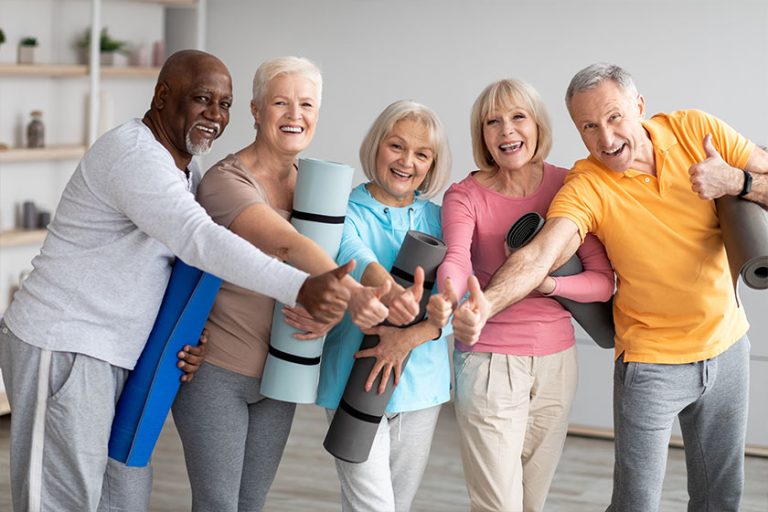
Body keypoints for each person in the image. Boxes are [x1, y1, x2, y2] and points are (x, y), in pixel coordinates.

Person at [0, 50, 360, 512]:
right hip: (67, 342)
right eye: (202, 99)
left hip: (124, 352)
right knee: (61, 499)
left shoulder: (186, 167)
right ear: (162, 96)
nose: (214, 114)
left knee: (122, 496)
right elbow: (199, 240)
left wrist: (192, 336)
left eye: (224, 104)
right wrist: (301, 286)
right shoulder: (134, 156)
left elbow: (173, 270)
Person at [446, 63, 768, 512]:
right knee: (635, 504)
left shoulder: (697, 130)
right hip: (650, 362)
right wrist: (485, 305)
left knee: (721, 498)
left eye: (615, 117)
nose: (606, 138)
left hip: (729, 346)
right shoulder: (586, 184)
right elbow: (542, 252)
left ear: (639, 106)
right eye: (589, 127)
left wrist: (737, 181)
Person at [170, 56, 397, 512]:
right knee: (218, 503)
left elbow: (340, 255)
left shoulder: (317, 186)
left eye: (307, 105)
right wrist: (349, 297)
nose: (296, 115)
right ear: (256, 110)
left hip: (281, 372)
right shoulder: (225, 180)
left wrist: (334, 312)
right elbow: (289, 246)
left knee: (252, 501)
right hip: (216, 368)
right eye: (281, 102)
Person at [428, 79, 614, 512]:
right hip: (489, 362)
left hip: (556, 364)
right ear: (483, 136)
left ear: (537, 125)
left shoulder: (570, 185)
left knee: (532, 503)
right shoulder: (465, 195)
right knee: (498, 505)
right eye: (493, 122)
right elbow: (455, 258)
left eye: (518, 117)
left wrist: (547, 283)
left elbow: (602, 280)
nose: (506, 130)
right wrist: (455, 298)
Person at [315, 100, 453, 512]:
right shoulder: (341, 209)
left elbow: (455, 295)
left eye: (422, 154)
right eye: (397, 146)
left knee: (392, 504)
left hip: (420, 388)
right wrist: (390, 292)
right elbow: (351, 253)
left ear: (432, 164)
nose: (407, 161)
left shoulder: (441, 220)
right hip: (350, 379)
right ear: (376, 145)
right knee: (373, 507)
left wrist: (438, 316)